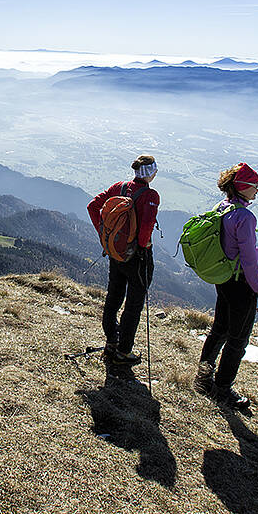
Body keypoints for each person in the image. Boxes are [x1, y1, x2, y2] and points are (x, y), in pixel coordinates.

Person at [193, 162, 258, 409]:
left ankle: (203, 378)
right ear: (244, 187)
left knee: (220, 329)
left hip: (223, 280)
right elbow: (249, 259)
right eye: (256, 186)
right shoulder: (244, 217)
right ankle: (223, 389)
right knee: (238, 340)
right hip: (241, 284)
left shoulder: (222, 208)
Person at [87, 155, 160, 366]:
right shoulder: (150, 195)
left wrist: (105, 235)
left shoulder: (119, 187)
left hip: (115, 252)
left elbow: (93, 206)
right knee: (134, 304)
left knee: (114, 296)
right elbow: (146, 229)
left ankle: (112, 342)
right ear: (151, 173)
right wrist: (142, 245)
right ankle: (124, 351)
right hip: (137, 257)